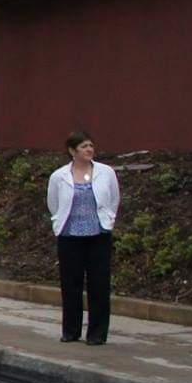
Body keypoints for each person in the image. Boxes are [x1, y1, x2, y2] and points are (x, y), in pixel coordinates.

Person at [47, 130, 119, 345]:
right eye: (84, 147)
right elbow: (53, 203)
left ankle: (97, 334)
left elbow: (114, 198)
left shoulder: (106, 172)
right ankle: (71, 330)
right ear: (72, 151)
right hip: (70, 236)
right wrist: (58, 222)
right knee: (71, 285)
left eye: (91, 146)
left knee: (99, 285)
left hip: (98, 236)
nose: (89, 150)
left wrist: (109, 220)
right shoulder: (59, 176)